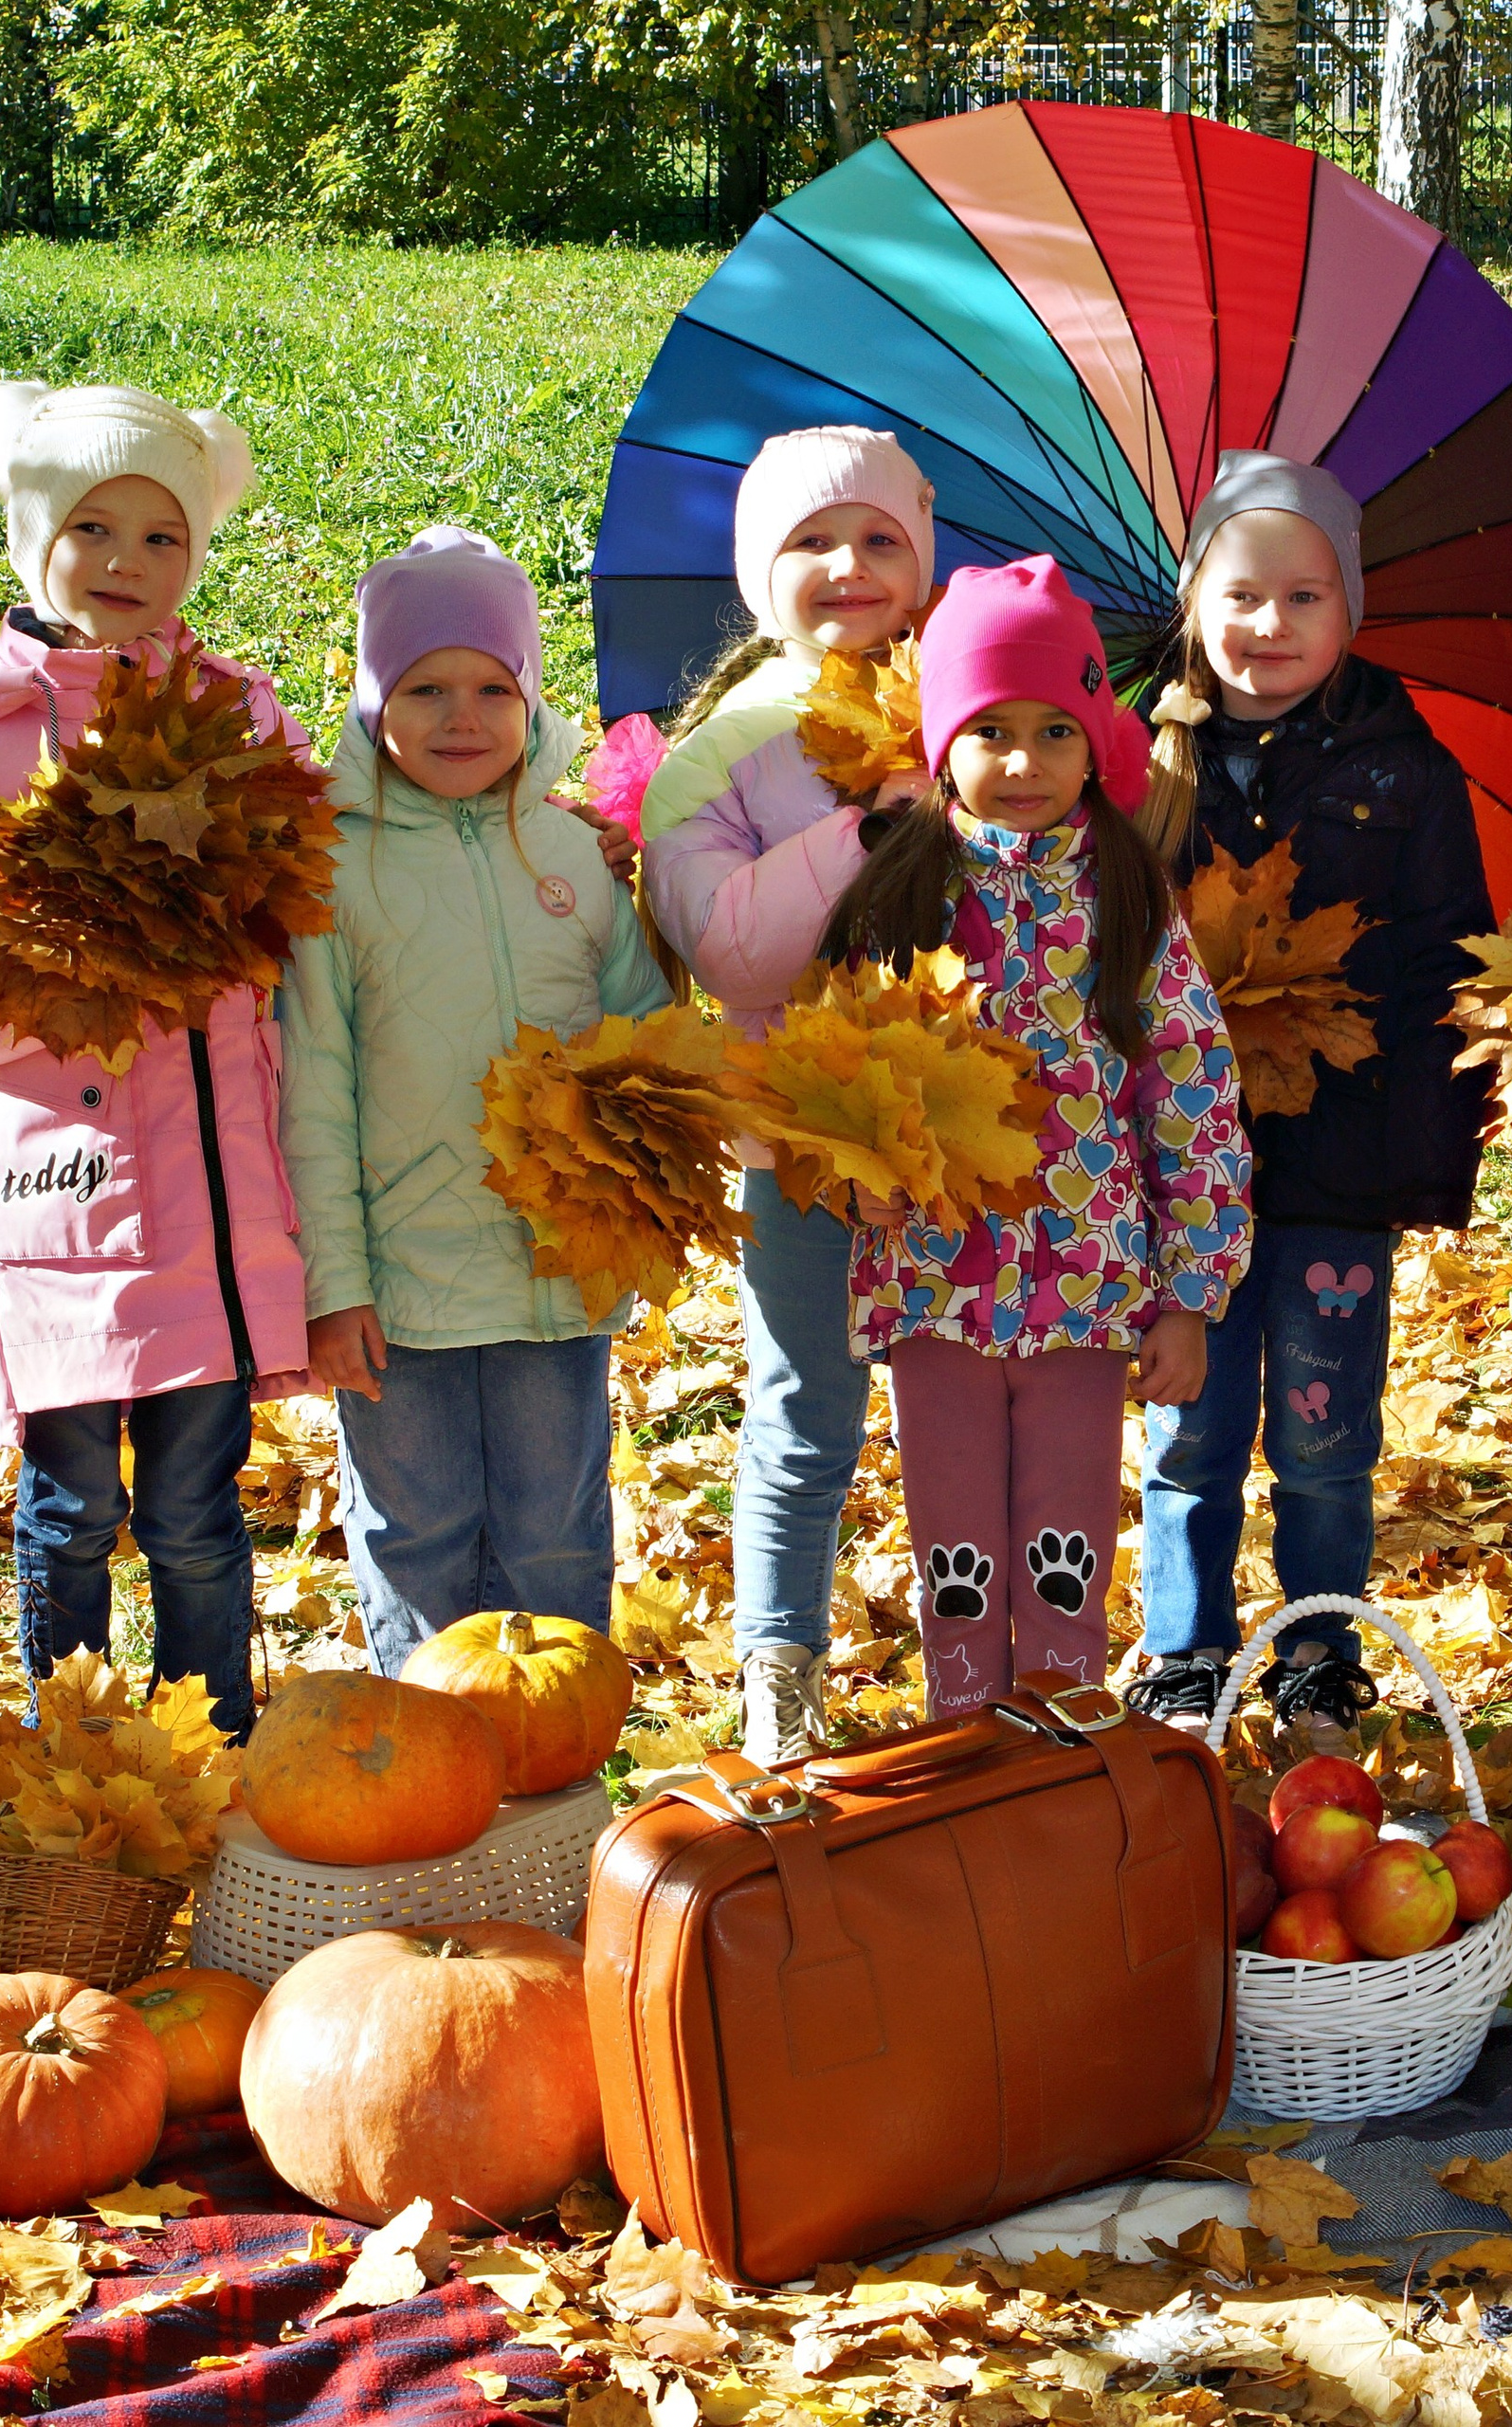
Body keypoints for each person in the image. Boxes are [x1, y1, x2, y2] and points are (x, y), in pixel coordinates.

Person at [0, 381, 313, 1737]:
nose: (127, 565)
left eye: (162, 538)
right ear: (33, 540)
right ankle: (71, 1776)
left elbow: (303, 921)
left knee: (196, 1514)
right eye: (92, 530)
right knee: (71, 1511)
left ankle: (216, 1755)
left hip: (206, 1195)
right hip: (60, 1196)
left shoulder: (242, 717)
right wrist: (68, 992)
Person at [820, 556, 1251, 1717]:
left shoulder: (1129, 898)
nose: (1021, 763)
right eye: (990, 729)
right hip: (934, 1281)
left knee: (1066, 1547)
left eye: (1055, 730)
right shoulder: (898, 892)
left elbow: (1193, 1094)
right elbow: (833, 1078)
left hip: (1087, 1285)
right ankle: (966, 1744)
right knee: (954, 1553)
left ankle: (1059, 1749)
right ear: (944, 738)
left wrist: (1189, 1291)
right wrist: (856, 1176)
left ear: (1094, 740)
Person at [1126, 451, 1495, 1743]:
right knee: (1190, 1430)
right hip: (1183, 1181)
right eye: (1241, 595)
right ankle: (1183, 1646)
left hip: (1337, 1173)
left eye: (1304, 599)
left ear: (1350, 614)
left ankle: (1320, 1645)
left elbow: (1452, 958)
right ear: (1191, 600)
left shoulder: (1406, 771)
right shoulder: (1142, 764)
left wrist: (1428, 1160)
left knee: (1327, 1430)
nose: (1268, 627)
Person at [279, 527, 669, 1675]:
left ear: (530, 693)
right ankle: (432, 1767)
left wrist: (636, 1217)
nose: (463, 715)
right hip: (401, 1285)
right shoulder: (336, 870)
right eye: (425, 686)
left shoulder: (575, 856)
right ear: (371, 698)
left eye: (494, 687)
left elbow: (645, 1051)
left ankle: (552, 1796)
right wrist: (334, 1286)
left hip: (556, 1270)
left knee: (558, 1535)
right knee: (418, 1535)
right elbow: (316, 1092)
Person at [640, 428, 937, 1761]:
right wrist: (871, 826)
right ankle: (781, 1668)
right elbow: (732, 945)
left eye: (880, 539)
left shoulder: (972, 703)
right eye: (813, 543)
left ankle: (982, 1661)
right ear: (766, 574)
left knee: (959, 1398)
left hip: (956, 1137)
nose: (849, 566)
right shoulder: (729, 748)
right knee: (807, 1407)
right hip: (798, 1142)